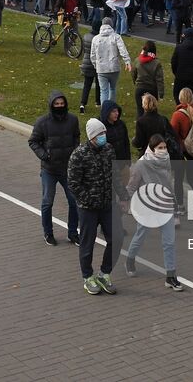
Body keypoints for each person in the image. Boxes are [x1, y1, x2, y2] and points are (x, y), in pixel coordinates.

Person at [68, 117, 122, 296]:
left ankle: (104, 274)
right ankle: (88, 277)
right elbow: (73, 183)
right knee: (87, 243)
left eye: (104, 133)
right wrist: (88, 199)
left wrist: (123, 195)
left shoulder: (108, 150)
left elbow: (115, 175)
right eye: (100, 134)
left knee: (116, 239)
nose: (103, 136)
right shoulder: (79, 154)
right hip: (88, 208)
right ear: (92, 136)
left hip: (107, 205)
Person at [123, 133, 182, 291]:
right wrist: (124, 201)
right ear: (152, 148)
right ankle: (130, 259)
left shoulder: (166, 160)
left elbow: (168, 183)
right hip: (148, 207)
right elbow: (132, 186)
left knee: (169, 242)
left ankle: (171, 276)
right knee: (141, 236)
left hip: (166, 206)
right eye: (159, 148)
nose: (163, 150)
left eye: (164, 147)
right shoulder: (141, 165)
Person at [29, 90, 81, 246]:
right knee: (47, 202)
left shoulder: (72, 120)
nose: (60, 106)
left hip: (67, 169)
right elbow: (33, 141)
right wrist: (44, 155)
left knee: (74, 201)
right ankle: (48, 233)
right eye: (56, 104)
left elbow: (76, 137)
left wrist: (75, 151)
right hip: (49, 170)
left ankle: (73, 233)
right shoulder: (42, 122)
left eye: (62, 103)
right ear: (51, 105)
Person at [170, 87, 193, 206]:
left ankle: (180, 206)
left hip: (182, 152)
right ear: (192, 97)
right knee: (191, 177)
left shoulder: (178, 115)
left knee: (178, 180)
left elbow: (173, 134)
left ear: (180, 99)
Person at [91, 18, 131, 105]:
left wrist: (96, 65)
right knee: (112, 88)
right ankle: (112, 108)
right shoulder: (116, 37)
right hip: (114, 68)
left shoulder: (95, 39)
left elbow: (92, 55)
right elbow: (122, 50)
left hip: (101, 69)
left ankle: (104, 110)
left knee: (104, 91)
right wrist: (127, 61)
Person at [171, 28, 193, 104]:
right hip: (192, 76)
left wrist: (176, 72)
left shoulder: (179, 48)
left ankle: (181, 108)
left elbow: (173, 62)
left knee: (177, 93)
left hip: (180, 75)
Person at [132, 41, 164, 112]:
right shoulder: (156, 63)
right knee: (152, 111)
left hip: (140, 88)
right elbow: (159, 79)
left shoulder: (137, 60)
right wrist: (161, 94)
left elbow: (133, 73)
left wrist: (136, 83)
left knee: (140, 111)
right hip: (152, 89)